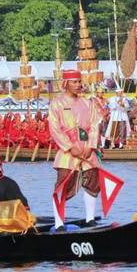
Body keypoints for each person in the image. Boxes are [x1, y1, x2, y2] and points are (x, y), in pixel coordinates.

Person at [48, 69, 106, 229]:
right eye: (75, 82)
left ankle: (90, 218)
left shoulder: (88, 103)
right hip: (68, 152)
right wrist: (69, 147)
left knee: (94, 183)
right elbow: (55, 129)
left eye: (79, 81)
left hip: (87, 151)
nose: (78, 85)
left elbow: (95, 125)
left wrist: (90, 145)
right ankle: (59, 222)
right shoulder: (57, 104)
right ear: (66, 84)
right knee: (62, 185)